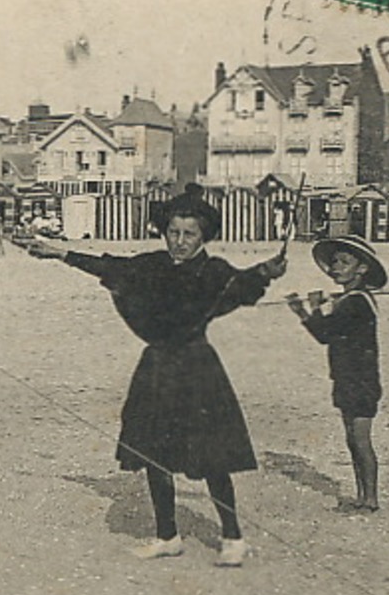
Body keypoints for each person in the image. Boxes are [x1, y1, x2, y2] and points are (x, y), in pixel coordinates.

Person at [29, 184, 287, 567]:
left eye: (189, 234)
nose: (180, 242)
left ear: (204, 237)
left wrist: (267, 270)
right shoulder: (152, 265)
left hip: (198, 370)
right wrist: (60, 253)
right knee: (153, 452)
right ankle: (167, 535)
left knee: (211, 456)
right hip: (157, 369)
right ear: (164, 231)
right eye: (174, 232)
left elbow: (244, 284)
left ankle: (233, 536)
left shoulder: (215, 271)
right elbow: (110, 266)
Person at [288, 236, 386, 512]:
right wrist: (306, 310)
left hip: (361, 381)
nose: (336, 267)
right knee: (351, 439)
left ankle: (371, 499)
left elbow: (324, 333)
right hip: (346, 378)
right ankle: (362, 495)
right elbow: (326, 332)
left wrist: (313, 309)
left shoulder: (357, 302)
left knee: (360, 440)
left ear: (362, 269)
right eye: (334, 262)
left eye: (345, 262)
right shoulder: (349, 300)